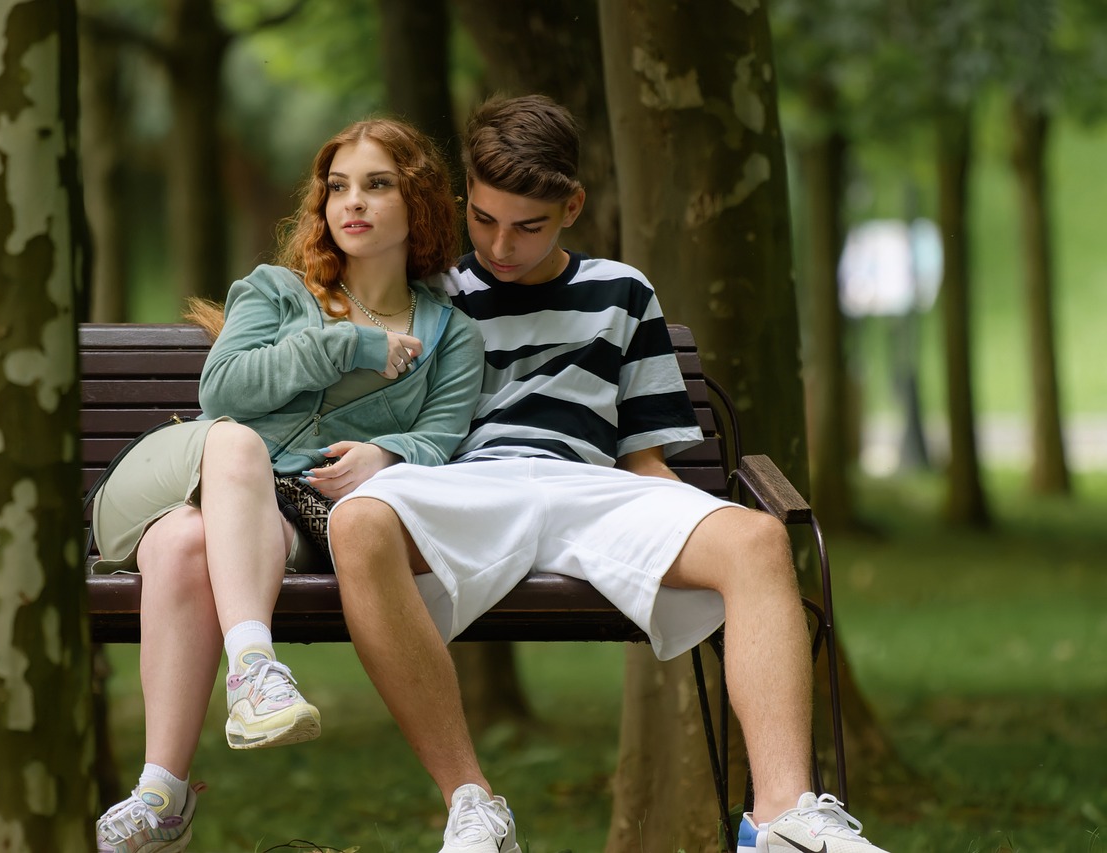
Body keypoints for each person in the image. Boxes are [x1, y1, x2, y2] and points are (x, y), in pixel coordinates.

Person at [328, 95, 892, 853]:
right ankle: (472, 804)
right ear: (466, 198)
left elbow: (646, 459)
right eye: (485, 219)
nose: (501, 245)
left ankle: (785, 818)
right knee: (359, 520)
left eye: (529, 226)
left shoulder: (623, 291)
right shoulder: (430, 291)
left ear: (573, 205)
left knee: (756, 540)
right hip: (467, 487)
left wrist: (698, 522)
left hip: (594, 490)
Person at [90, 118, 484, 852]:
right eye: (337, 187)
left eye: (376, 185)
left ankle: (161, 795)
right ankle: (255, 668)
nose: (351, 202)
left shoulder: (450, 334)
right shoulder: (274, 290)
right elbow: (224, 393)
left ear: (419, 203)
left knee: (181, 547)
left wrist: (386, 456)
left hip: (290, 517)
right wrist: (350, 343)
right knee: (232, 446)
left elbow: (441, 438)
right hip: (193, 472)